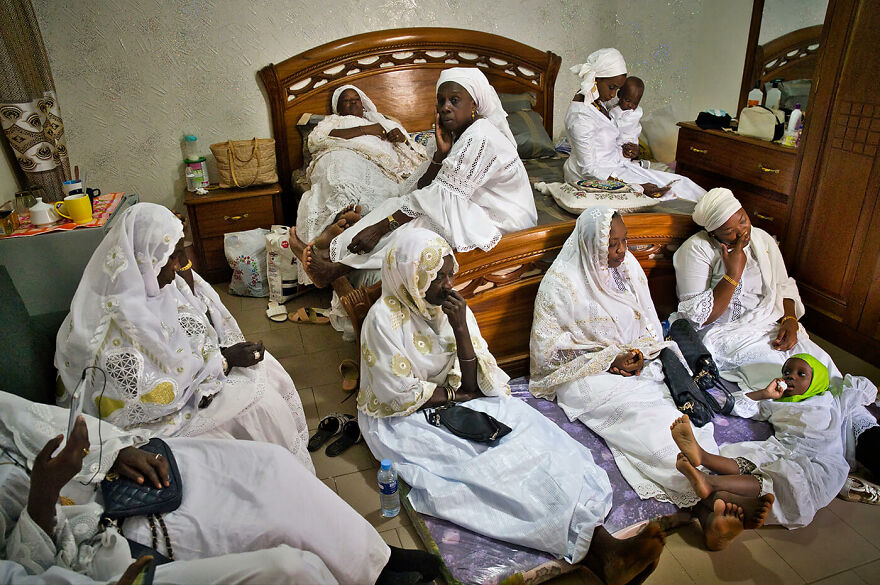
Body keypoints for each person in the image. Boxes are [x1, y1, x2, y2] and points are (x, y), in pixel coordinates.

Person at [355, 227, 665, 584]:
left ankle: (600, 543)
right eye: (436, 276)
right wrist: (458, 397)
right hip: (405, 417)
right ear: (411, 275)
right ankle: (603, 555)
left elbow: (473, 385)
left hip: (460, 399)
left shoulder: (450, 308)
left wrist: (460, 329)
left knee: (538, 443)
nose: (447, 284)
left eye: (450, 274)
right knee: (486, 470)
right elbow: (395, 394)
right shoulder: (383, 319)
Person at [0, 390, 441, 584]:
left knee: (268, 462)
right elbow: (29, 568)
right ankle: (361, 570)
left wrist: (113, 451)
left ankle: (372, 559)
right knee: (253, 520)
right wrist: (45, 490)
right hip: (94, 530)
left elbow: (42, 422)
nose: (177, 267)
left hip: (101, 476)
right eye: (171, 259)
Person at [54, 203, 312, 470]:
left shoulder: (150, 282)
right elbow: (151, 399)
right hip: (151, 424)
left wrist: (219, 355)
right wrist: (224, 361)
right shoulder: (113, 327)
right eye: (173, 255)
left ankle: (286, 465)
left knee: (267, 369)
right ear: (145, 257)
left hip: (193, 381)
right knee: (260, 407)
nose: (178, 265)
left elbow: (189, 329)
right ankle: (275, 471)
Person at [672, 187, 879, 486]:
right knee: (786, 380)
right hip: (732, 333)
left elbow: (783, 287)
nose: (742, 232)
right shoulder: (695, 250)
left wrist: (791, 320)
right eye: (729, 231)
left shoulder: (763, 239)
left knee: (819, 362)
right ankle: (826, 438)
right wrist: (733, 271)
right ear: (713, 234)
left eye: (743, 220)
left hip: (771, 321)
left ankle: (866, 432)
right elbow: (699, 318)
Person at [529, 207, 721, 508]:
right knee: (636, 416)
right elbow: (548, 354)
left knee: (666, 412)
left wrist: (637, 354)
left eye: (625, 240)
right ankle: (695, 483)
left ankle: (706, 478)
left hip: (637, 365)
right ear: (592, 243)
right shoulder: (560, 285)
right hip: (586, 374)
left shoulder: (628, 266)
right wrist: (609, 359)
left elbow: (647, 324)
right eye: (612, 243)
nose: (621, 250)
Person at [292, 67, 537, 289]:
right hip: (478, 208)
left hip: (504, 222)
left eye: (454, 100)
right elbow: (419, 188)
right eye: (441, 101)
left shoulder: (481, 134)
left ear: (474, 104)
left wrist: (381, 227)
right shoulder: (455, 135)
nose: (445, 107)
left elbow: (439, 197)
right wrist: (439, 156)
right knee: (397, 206)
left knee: (419, 225)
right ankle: (331, 255)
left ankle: (336, 266)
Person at [669, 353, 876, 528]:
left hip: (819, 461)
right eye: (787, 372)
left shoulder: (831, 401)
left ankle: (712, 482)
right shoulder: (776, 402)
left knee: (785, 476)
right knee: (750, 457)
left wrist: (840, 385)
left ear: (817, 380)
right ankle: (703, 456)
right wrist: (764, 394)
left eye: (800, 374)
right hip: (783, 448)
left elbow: (865, 388)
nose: (791, 377)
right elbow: (736, 406)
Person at [295, 84, 427, 267]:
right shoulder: (334, 121)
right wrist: (367, 131)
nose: (352, 103)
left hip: (380, 163)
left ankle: (349, 223)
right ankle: (338, 222)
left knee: (389, 188)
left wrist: (402, 138)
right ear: (338, 107)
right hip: (342, 152)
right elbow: (318, 141)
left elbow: (413, 151)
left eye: (355, 100)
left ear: (363, 103)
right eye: (346, 101)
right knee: (339, 172)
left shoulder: (383, 121)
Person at [563, 48, 705, 202]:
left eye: (617, 89)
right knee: (663, 196)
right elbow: (588, 169)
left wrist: (632, 149)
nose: (613, 95)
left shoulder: (598, 101)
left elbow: (620, 128)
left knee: (683, 183)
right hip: (593, 176)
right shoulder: (580, 117)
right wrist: (637, 187)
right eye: (612, 87)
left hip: (616, 167)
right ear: (595, 79)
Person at [610, 76, 644, 160]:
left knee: (622, 158)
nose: (631, 105)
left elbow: (622, 128)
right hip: (614, 143)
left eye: (635, 103)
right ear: (619, 95)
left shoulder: (633, 114)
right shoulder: (613, 105)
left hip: (627, 142)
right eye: (628, 100)